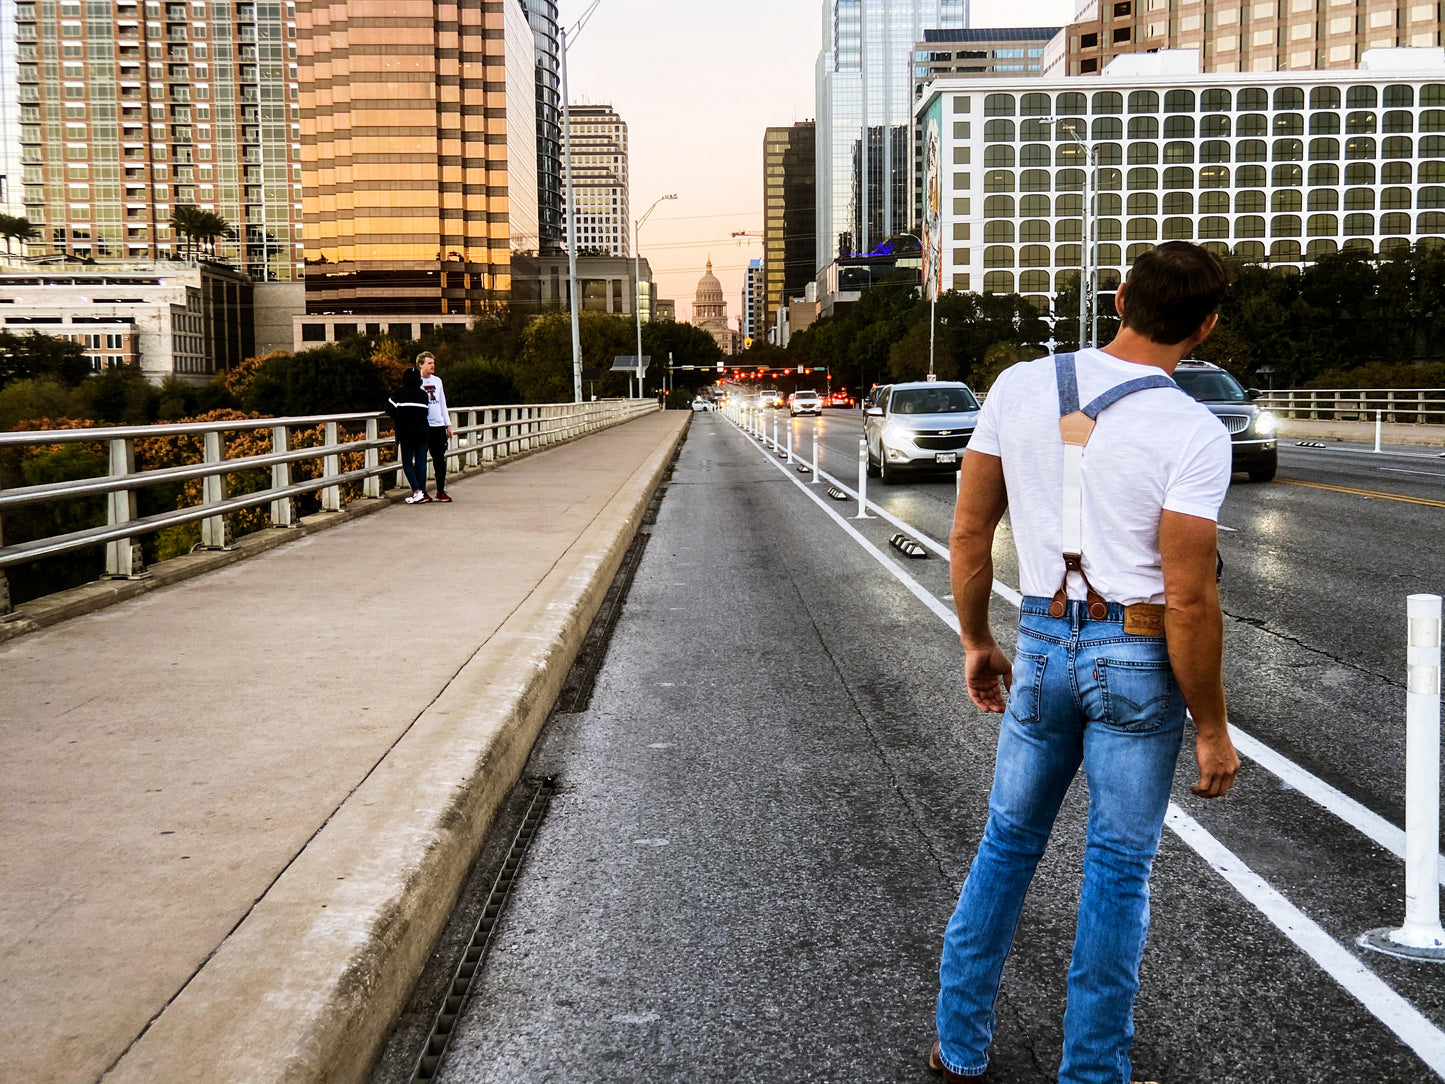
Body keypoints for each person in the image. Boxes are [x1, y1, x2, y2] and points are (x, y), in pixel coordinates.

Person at [931, 241, 1241, 1084]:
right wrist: (1210, 727)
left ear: (1117, 297)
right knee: (1115, 869)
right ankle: (1091, 1071)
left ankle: (958, 1045)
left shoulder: (1018, 387)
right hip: (1135, 654)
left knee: (1005, 845)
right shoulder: (1193, 430)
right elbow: (1188, 598)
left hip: (1038, 641)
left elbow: (967, 534)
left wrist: (975, 641)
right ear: (1206, 325)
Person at [385, 367, 432, 504]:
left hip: (406, 433)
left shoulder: (399, 393)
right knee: (421, 463)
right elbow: (425, 413)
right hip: (422, 432)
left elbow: (389, 407)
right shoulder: (424, 395)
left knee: (407, 463)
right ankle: (421, 492)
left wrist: (399, 416)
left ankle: (416, 490)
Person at [417, 351, 453, 503]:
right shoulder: (416, 382)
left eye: (433, 363)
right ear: (421, 365)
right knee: (421, 459)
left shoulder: (437, 381)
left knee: (439, 459)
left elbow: (442, 403)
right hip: (424, 425)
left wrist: (448, 424)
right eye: (429, 363)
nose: (433, 365)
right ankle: (422, 491)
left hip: (438, 424)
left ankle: (440, 490)